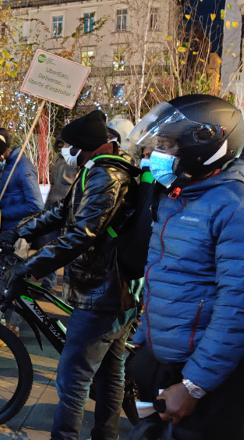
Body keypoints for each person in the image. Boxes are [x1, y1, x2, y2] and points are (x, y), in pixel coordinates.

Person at [0, 109, 140, 440]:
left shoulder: (107, 176)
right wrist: (21, 230)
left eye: (68, 146)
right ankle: (105, 435)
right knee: (108, 375)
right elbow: (63, 211)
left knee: (74, 378)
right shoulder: (95, 169)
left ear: (83, 147)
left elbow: (82, 234)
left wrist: (30, 266)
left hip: (102, 293)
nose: (65, 151)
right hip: (110, 289)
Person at [125, 95, 244, 439]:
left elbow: (235, 307)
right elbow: (163, 276)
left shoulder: (232, 206)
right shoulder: (177, 195)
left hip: (208, 378)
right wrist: (143, 343)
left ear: (204, 145)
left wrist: (194, 385)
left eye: (168, 145)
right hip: (167, 363)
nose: (157, 154)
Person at [0, 128, 44, 338]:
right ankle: (2, 323)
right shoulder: (5, 164)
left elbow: (35, 204)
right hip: (2, 230)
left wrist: (1, 212)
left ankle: (12, 325)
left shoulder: (22, 166)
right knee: (1, 280)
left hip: (15, 233)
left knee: (13, 280)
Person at [39, 138, 78, 291]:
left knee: (68, 250)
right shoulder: (58, 159)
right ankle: (48, 285)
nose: (63, 147)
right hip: (53, 208)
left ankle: (68, 289)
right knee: (51, 247)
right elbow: (53, 183)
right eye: (61, 144)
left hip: (70, 210)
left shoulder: (77, 161)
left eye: (66, 143)